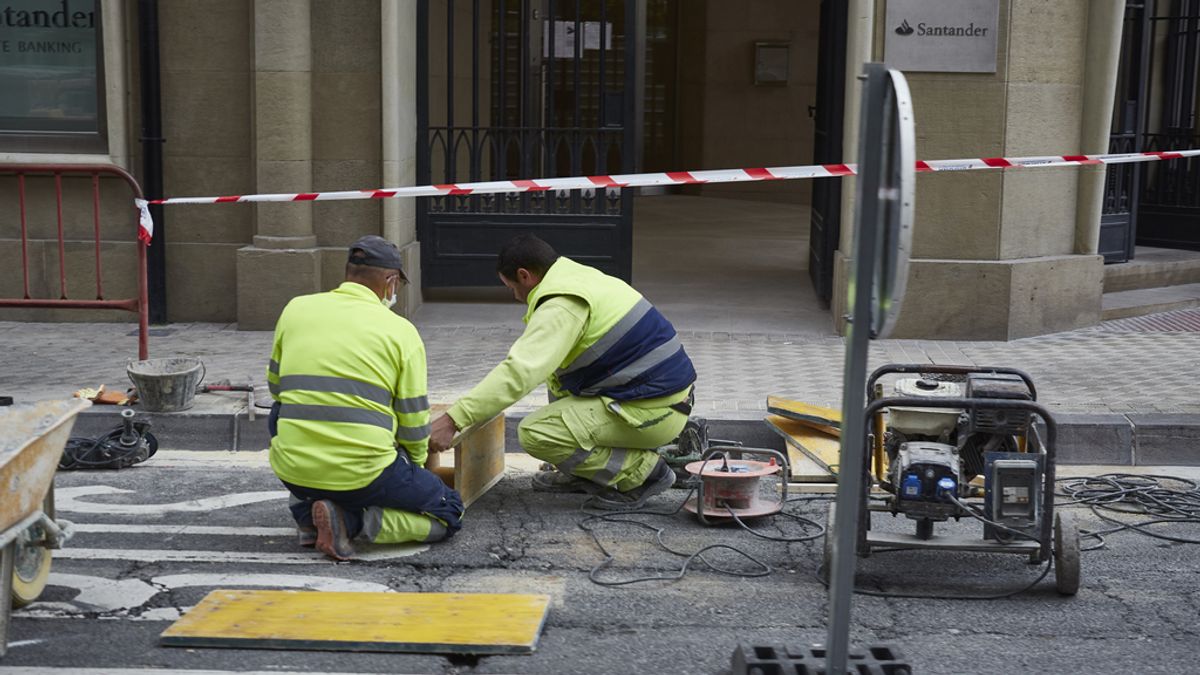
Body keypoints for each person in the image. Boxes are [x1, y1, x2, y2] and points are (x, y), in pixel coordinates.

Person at [429, 234, 695, 509]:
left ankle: (644, 473)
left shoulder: (562, 304)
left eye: (511, 287)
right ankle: (583, 472)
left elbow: (520, 372)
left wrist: (453, 420)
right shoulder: (578, 277)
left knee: (536, 433)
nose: (515, 296)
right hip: (657, 400)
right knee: (556, 380)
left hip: (653, 412)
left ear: (524, 275)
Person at [266, 235, 464, 560]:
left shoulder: (295, 309)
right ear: (390, 281)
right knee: (450, 511)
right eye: (397, 284)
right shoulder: (401, 332)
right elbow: (414, 424)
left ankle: (307, 515)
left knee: (281, 410)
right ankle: (351, 522)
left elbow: (277, 388)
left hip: (294, 470)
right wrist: (413, 468)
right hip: (365, 475)